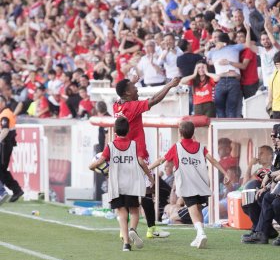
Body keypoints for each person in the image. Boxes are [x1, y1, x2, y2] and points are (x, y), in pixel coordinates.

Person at [113, 77, 179, 238]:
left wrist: (131, 81)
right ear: (127, 92)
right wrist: (169, 85)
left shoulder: (117, 105)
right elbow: (154, 100)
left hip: (123, 157)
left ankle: (124, 231)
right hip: (138, 155)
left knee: (127, 193)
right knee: (147, 191)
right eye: (134, 87)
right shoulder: (132, 106)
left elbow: (120, 93)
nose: (137, 89)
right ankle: (151, 229)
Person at [149, 121, 229, 249]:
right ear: (193, 133)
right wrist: (225, 173)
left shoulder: (177, 147)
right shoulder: (200, 147)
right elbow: (212, 160)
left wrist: (148, 168)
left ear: (180, 133)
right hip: (201, 184)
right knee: (198, 209)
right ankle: (199, 235)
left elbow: (161, 160)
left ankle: (200, 232)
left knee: (192, 209)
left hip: (187, 185)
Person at [89, 117, 155, 251]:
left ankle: (126, 243)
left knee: (122, 213)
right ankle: (133, 229)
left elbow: (101, 160)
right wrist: (150, 176)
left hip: (116, 185)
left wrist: (91, 166)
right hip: (132, 183)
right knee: (134, 210)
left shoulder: (110, 146)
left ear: (115, 132)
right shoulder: (134, 144)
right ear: (129, 130)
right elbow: (142, 162)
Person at [0, 95, 23, 204]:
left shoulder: (5, 115)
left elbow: (5, 130)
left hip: (5, 145)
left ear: (2, 103)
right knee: (2, 170)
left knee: (1, 170)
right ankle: (16, 190)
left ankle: (5, 191)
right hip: (6, 144)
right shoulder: (6, 113)